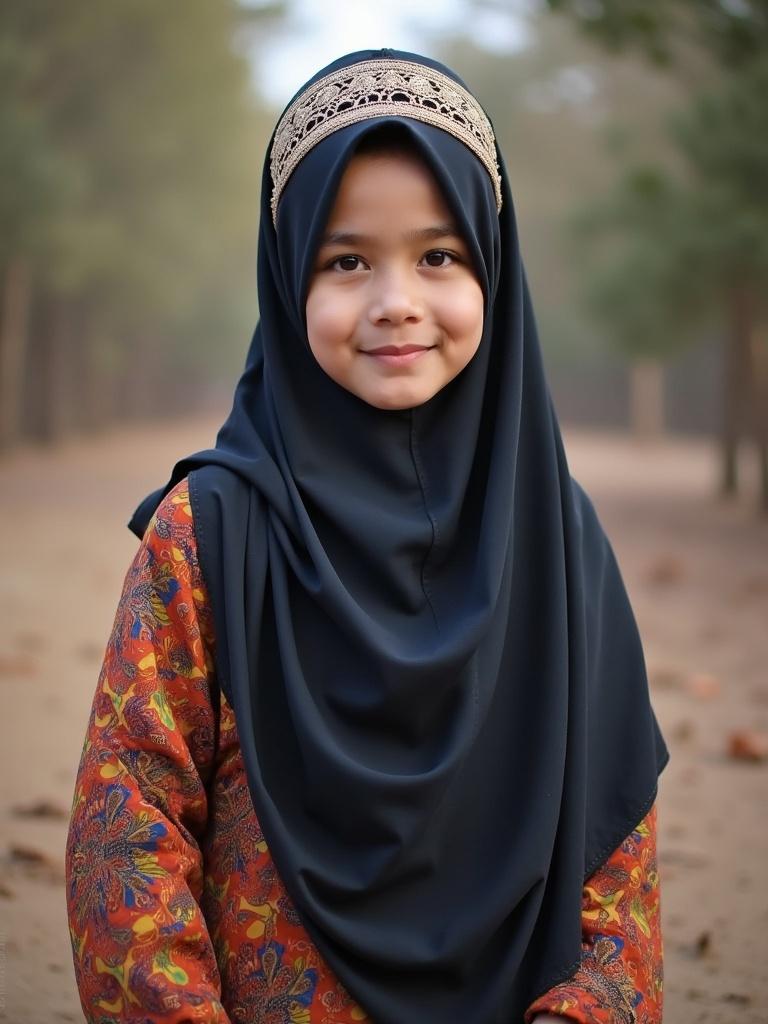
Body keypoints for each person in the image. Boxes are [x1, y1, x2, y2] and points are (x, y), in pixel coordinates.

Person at [66, 49, 668, 1024]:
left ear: (495, 270)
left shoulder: (561, 540)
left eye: (439, 255)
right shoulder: (208, 535)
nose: (395, 299)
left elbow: (616, 869)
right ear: (285, 278)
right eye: (347, 260)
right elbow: (126, 836)